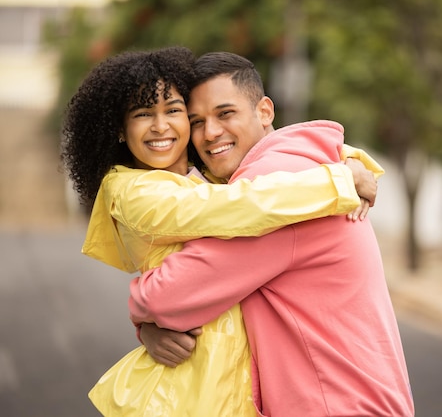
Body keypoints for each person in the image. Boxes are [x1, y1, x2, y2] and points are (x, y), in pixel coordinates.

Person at [61, 46, 381, 416]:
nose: (161, 126)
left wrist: (353, 161)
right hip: (187, 387)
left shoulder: (208, 178)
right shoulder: (135, 191)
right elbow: (238, 207)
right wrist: (337, 182)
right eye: (143, 114)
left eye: (174, 111)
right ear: (119, 129)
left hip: (232, 382)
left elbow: (284, 166)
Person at [131, 51, 415, 416]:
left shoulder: (272, 189)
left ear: (265, 111)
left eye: (225, 113)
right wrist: (151, 330)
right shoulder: (303, 169)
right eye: (197, 121)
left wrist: (142, 315)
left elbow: (168, 297)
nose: (210, 133)